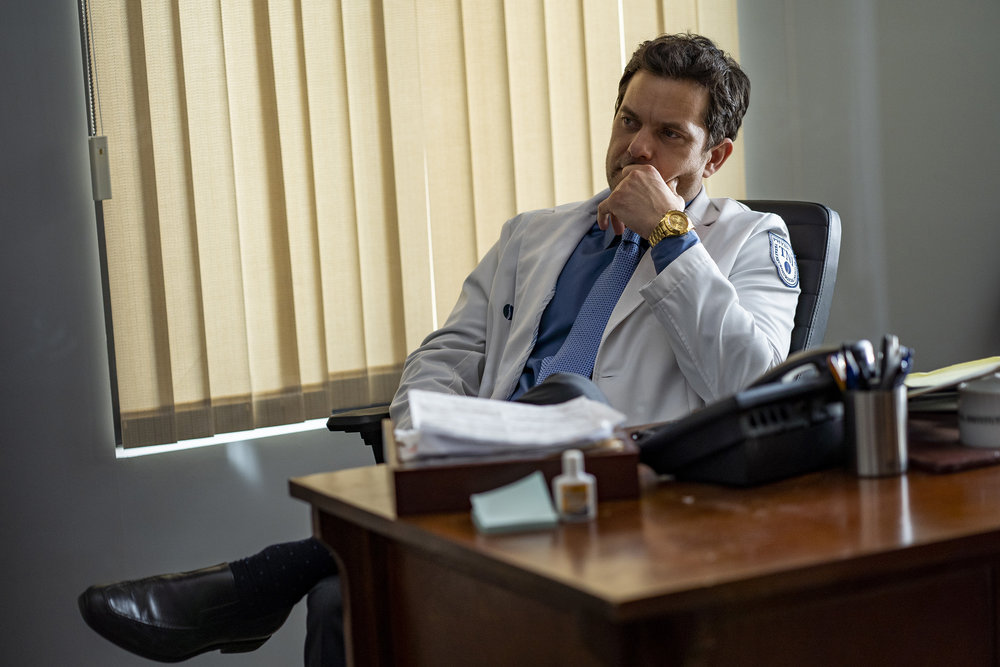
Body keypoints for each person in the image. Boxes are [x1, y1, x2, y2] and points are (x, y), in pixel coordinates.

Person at [78, 32, 799, 666]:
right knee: (338, 601)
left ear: (718, 155)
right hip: (491, 486)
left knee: (573, 403)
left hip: (621, 499)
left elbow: (754, 381)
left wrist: (669, 235)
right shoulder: (535, 234)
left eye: (670, 135)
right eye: (628, 121)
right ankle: (276, 581)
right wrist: (437, 436)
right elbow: (444, 356)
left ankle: (253, 586)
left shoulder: (750, 242)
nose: (637, 147)